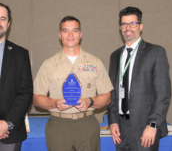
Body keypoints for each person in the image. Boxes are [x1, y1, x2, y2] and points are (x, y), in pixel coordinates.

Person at [33, 16, 113, 151]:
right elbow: (36, 99)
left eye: (75, 31)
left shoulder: (94, 63)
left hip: (87, 125)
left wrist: (90, 101)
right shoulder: (49, 65)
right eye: (65, 31)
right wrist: (54, 103)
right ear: (59, 35)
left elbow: (107, 96)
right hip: (58, 126)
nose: (70, 35)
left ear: (80, 35)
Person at [108, 6, 171, 151]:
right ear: (120, 27)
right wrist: (112, 121)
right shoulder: (115, 56)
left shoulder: (156, 52)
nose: (127, 27)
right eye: (124, 24)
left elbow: (163, 95)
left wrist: (153, 124)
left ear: (140, 26)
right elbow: (112, 92)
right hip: (120, 129)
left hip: (145, 128)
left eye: (132, 23)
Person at [0, 3, 33, 151]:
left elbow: (25, 93)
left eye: (2, 18)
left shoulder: (20, 54)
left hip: (10, 132)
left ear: (8, 23)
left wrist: (7, 123)